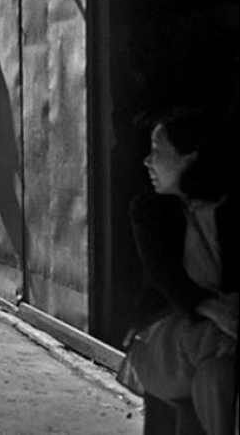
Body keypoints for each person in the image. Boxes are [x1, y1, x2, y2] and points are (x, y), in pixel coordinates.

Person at [118, 105, 237, 435]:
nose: (147, 161)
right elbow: (165, 280)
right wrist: (213, 310)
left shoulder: (227, 209)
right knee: (208, 336)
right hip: (162, 341)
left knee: (216, 374)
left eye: (157, 151)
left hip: (212, 348)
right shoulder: (150, 211)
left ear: (191, 156)